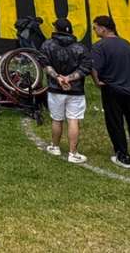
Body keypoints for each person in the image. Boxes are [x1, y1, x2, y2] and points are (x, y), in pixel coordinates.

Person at [90, 15, 130, 169]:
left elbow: (94, 67)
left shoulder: (100, 46)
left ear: (103, 28)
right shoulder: (126, 44)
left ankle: (123, 155)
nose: (94, 30)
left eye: (95, 27)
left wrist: (97, 81)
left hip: (111, 89)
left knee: (115, 123)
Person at [39, 18, 91, 164]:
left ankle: (55, 146)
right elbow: (85, 68)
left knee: (57, 119)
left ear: (56, 29)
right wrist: (69, 78)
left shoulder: (47, 45)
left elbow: (45, 64)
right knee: (73, 120)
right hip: (75, 90)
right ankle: (73, 153)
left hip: (55, 89)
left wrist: (58, 78)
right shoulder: (80, 48)